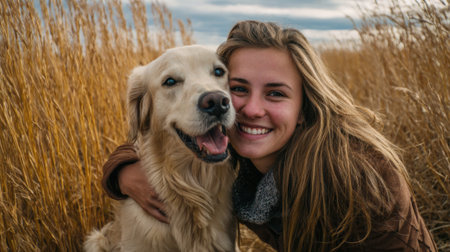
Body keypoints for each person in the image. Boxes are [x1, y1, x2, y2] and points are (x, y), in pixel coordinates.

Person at [101, 20, 437, 251]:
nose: (250, 109)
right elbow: (147, 137)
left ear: (306, 108)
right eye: (237, 88)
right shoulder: (233, 148)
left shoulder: (357, 180)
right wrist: (124, 172)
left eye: (275, 94)